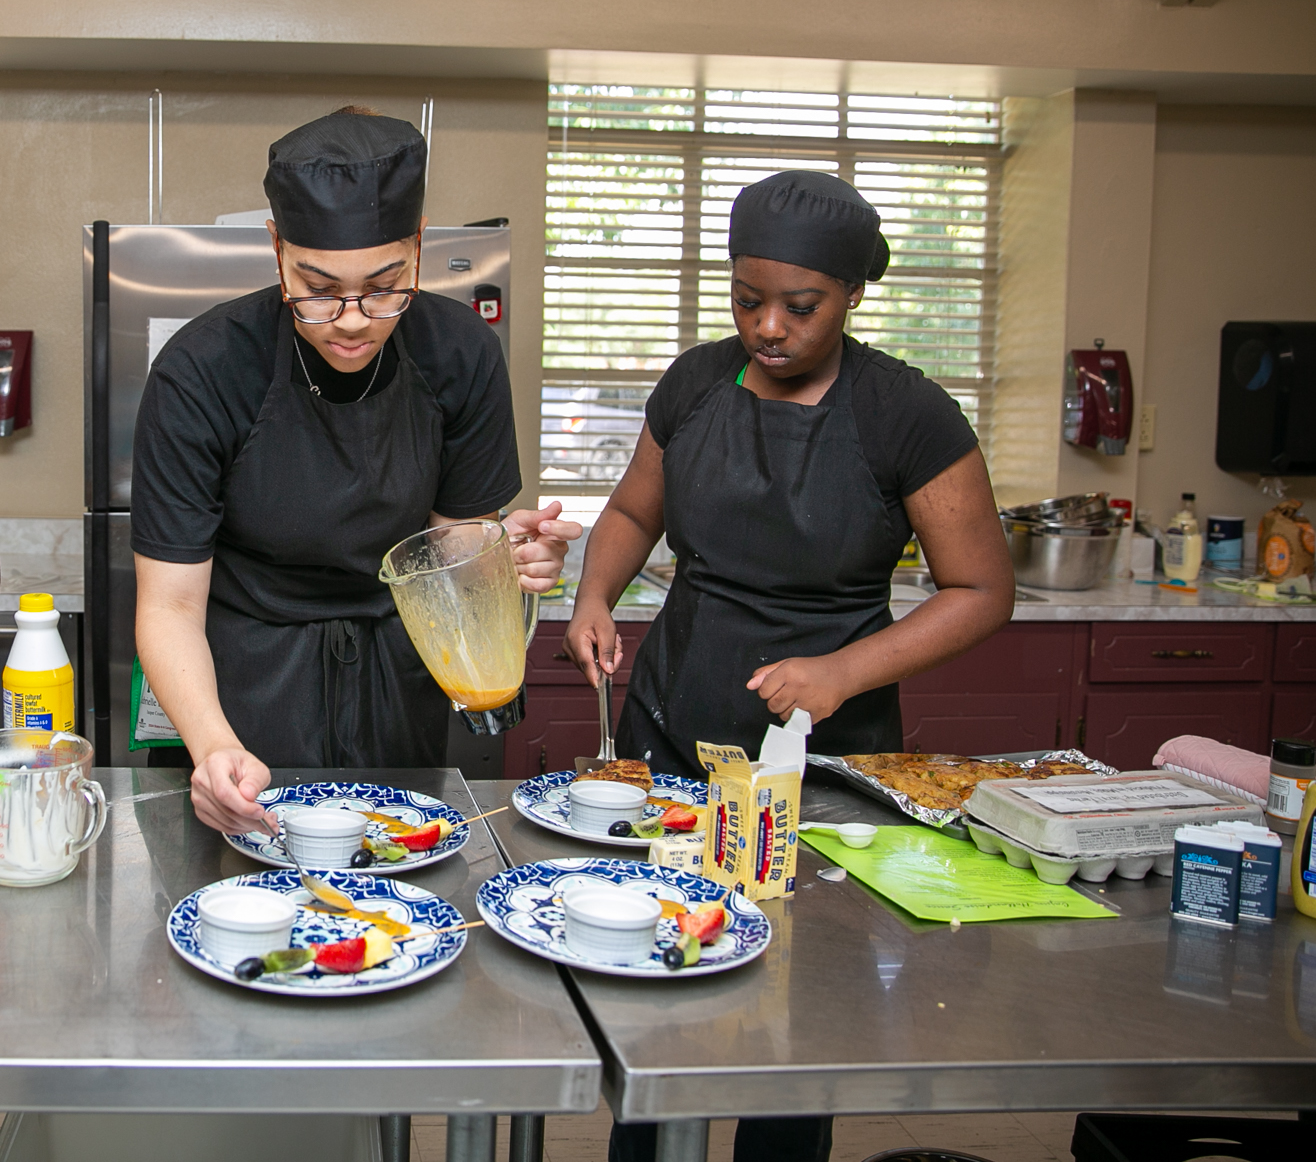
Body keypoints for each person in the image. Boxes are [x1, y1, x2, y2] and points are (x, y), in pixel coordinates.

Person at [562, 170, 1014, 1162]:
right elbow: (638, 510)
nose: (769, 325)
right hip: (674, 724)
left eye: (799, 305)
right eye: (747, 299)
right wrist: (594, 595)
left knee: (799, 1001)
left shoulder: (907, 413)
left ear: (851, 294)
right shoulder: (694, 382)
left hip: (822, 751)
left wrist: (843, 672)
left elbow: (981, 589)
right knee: (659, 975)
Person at [130, 107, 579, 834]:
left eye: (384, 284)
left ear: (420, 245)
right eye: (316, 287)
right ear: (277, 250)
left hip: (396, 681)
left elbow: (450, 555)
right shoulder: (204, 369)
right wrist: (214, 747)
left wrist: (503, 557)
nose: (350, 318)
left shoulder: (459, 353)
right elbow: (171, 604)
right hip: (240, 684)